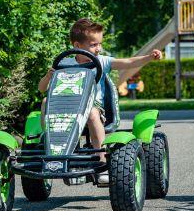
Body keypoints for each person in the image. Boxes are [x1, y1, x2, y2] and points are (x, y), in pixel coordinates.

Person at [37, 18, 162, 186]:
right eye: (94, 45)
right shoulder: (64, 63)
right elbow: (42, 88)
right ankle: (50, 148)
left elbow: (128, 63)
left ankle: (102, 162)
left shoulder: (102, 61)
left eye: (99, 44)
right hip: (66, 108)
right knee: (45, 101)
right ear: (77, 45)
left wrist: (149, 57)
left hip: (93, 107)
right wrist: (48, 76)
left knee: (92, 113)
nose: (99, 48)